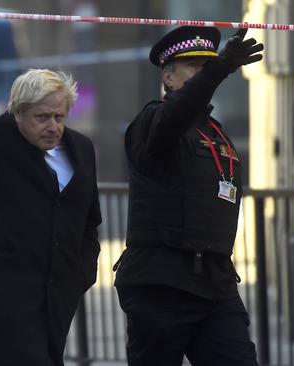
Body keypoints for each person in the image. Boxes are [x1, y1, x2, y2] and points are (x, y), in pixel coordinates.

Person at [0, 1, 102, 365]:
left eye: (59, 116)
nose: (53, 126)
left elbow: (90, 221)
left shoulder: (80, 148)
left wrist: (81, 272)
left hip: (54, 301)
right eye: (42, 117)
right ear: (18, 112)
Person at [113, 26, 264, 366]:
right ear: (167, 76)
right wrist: (219, 69)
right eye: (194, 66)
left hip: (215, 283)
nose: (204, 72)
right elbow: (175, 115)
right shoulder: (153, 121)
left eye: (206, 65)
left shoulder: (215, 132)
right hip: (161, 285)